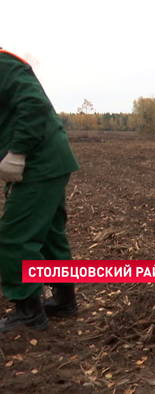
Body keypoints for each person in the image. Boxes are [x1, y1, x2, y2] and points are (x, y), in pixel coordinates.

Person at [0, 49, 80, 332]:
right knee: (49, 233)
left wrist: (18, 153)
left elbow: (34, 104)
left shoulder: (1, 63)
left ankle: (29, 312)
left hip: (38, 161)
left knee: (14, 237)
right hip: (48, 161)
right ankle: (65, 300)